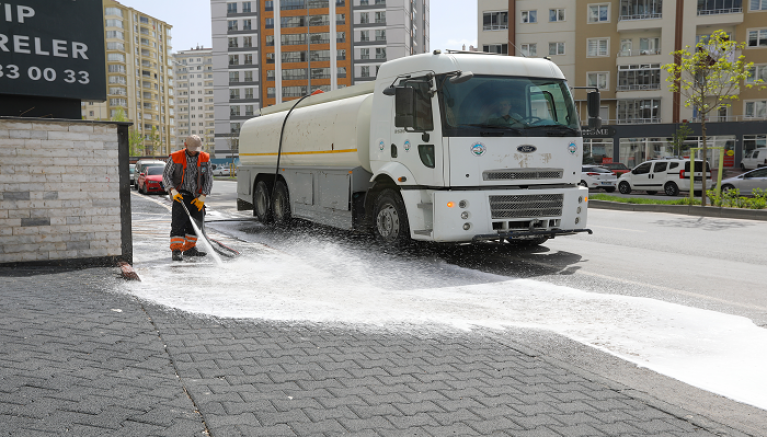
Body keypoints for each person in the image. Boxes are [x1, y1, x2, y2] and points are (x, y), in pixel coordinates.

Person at [162, 135, 213, 261]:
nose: (194, 151)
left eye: (196, 149)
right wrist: (172, 190)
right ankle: (176, 250)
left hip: (197, 197)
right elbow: (166, 175)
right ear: (185, 145)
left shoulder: (205, 158)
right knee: (178, 223)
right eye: (191, 149)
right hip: (181, 195)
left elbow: (208, 178)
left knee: (195, 224)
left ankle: (190, 248)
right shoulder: (176, 157)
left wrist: (203, 196)